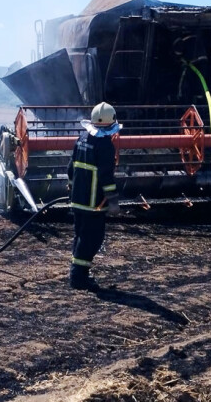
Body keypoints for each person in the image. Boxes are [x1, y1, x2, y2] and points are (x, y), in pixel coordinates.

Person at [66, 102, 121, 291]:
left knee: (80, 236)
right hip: (94, 203)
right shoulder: (105, 145)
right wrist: (113, 201)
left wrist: (71, 187)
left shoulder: (81, 139)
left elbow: (71, 167)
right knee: (92, 239)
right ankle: (78, 278)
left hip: (77, 199)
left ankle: (78, 274)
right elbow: (106, 177)